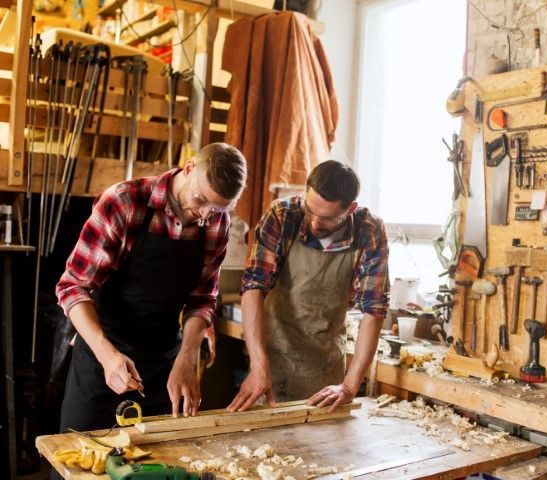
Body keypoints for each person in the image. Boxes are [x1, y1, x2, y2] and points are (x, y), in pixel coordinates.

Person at [55, 142, 247, 433]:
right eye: (200, 199)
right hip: (102, 356)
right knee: (81, 461)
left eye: (218, 207)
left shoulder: (217, 222)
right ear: (190, 167)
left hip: (163, 363)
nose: (205, 215)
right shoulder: (124, 202)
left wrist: (187, 356)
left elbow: (203, 298)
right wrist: (107, 356)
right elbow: (73, 287)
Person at [229, 160, 388, 412]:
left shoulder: (369, 231)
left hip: (325, 366)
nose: (314, 224)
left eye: (326, 218)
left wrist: (348, 387)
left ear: (350, 210)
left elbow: (374, 309)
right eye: (309, 210)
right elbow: (253, 287)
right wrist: (259, 367)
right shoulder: (284, 216)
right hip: (273, 358)